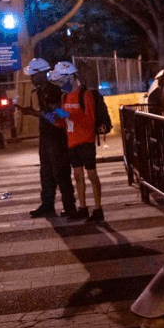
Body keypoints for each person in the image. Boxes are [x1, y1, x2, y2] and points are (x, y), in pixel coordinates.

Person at [48, 61, 105, 223]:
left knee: (92, 175)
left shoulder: (84, 94)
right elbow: (64, 123)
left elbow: (90, 119)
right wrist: (55, 119)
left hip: (86, 140)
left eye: (62, 81)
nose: (60, 84)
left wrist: (68, 114)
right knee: (78, 176)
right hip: (72, 141)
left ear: (71, 78)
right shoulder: (64, 96)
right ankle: (82, 208)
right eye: (58, 82)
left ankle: (98, 208)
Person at [20, 58, 77, 218]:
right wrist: (37, 112)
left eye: (33, 75)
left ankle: (70, 207)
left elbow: (60, 114)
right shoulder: (40, 90)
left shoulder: (55, 89)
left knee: (60, 171)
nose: (31, 79)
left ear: (43, 74)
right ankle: (47, 204)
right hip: (46, 135)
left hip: (58, 136)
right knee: (45, 171)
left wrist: (35, 113)